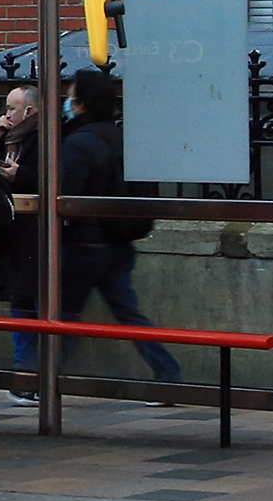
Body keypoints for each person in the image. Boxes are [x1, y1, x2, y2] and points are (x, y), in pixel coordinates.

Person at [56, 69, 181, 389]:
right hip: (118, 243)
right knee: (129, 314)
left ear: (81, 104)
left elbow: (66, 196)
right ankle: (167, 373)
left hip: (84, 245)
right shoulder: (122, 138)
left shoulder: (78, 143)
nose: (67, 104)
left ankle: (40, 378)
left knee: (64, 317)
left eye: (70, 98)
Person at [0, 84, 44, 401]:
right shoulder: (9, 138)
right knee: (22, 304)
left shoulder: (43, 138)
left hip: (32, 236)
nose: (7, 115)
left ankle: (28, 375)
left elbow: (46, 178)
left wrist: (18, 175)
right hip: (11, 233)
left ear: (30, 111)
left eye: (12, 109)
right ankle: (28, 374)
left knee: (26, 305)